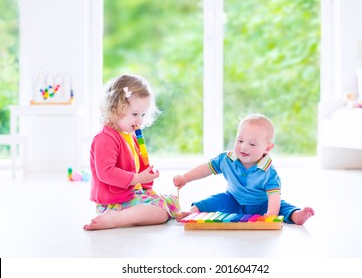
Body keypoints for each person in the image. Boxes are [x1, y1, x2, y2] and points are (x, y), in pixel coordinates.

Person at [173, 113, 314, 225]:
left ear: (267, 148)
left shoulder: (269, 172)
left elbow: (274, 196)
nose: (243, 147)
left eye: (252, 144)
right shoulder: (226, 159)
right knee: (214, 200)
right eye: (240, 141)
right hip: (233, 199)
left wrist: (271, 214)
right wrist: (185, 178)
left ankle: (297, 216)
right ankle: (192, 212)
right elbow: (206, 168)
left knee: (282, 208)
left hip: (262, 205)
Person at [83, 74, 180, 231]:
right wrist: (137, 178)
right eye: (135, 114)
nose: (139, 120)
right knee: (161, 213)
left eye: (142, 115)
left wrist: (146, 179)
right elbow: (106, 173)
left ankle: (136, 212)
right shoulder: (104, 139)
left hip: (131, 195)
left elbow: (136, 167)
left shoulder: (129, 136)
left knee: (174, 202)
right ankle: (116, 218)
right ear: (115, 109)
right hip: (114, 202)